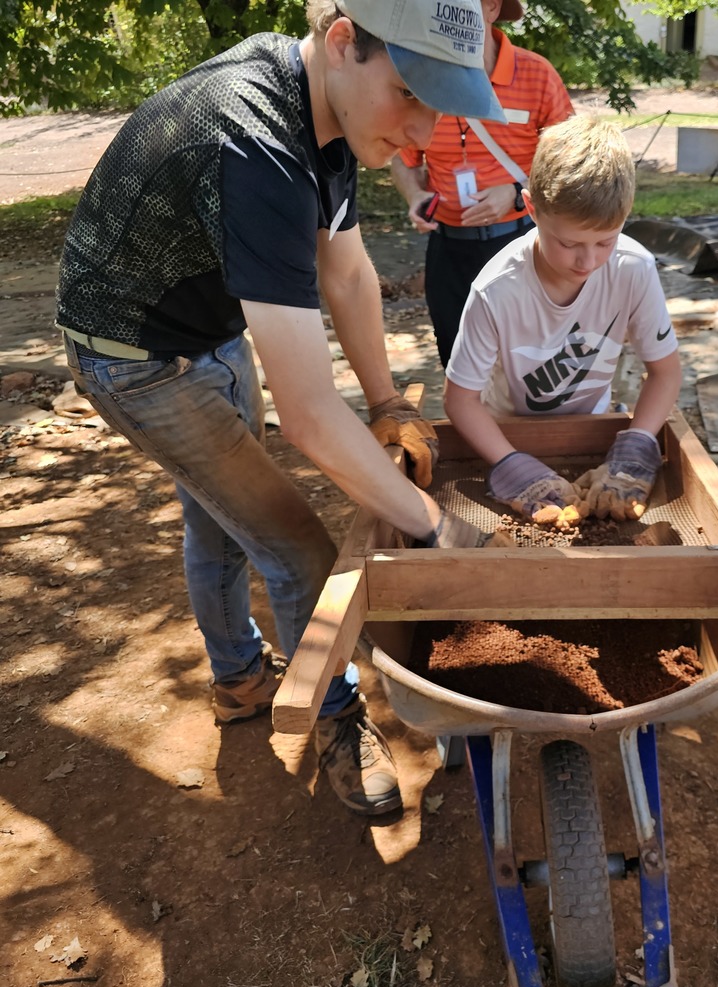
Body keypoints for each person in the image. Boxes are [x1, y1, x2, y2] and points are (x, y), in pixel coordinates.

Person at [55, 0, 510, 818]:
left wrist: (384, 404)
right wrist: (434, 524)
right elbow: (305, 415)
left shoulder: (324, 110)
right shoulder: (254, 144)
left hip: (211, 325)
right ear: (344, 42)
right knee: (298, 549)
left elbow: (348, 274)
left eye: (439, 107)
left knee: (220, 519)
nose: (422, 134)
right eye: (411, 94)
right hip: (136, 357)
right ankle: (332, 722)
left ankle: (236, 677)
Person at [443, 116, 683, 524]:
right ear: (532, 208)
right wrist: (511, 464)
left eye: (605, 241)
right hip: (505, 433)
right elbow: (460, 400)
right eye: (569, 243)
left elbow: (665, 372)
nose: (587, 261)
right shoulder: (496, 290)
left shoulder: (634, 268)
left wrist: (638, 443)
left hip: (596, 428)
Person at [390, 0, 573, 369]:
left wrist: (516, 193)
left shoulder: (536, 75)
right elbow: (402, 155)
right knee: (458, 363)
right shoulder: (424, 79)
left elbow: (570, 160)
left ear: (490, 8)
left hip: (521, 243)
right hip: (448, 251)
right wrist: (415, 195)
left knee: (527, 366)